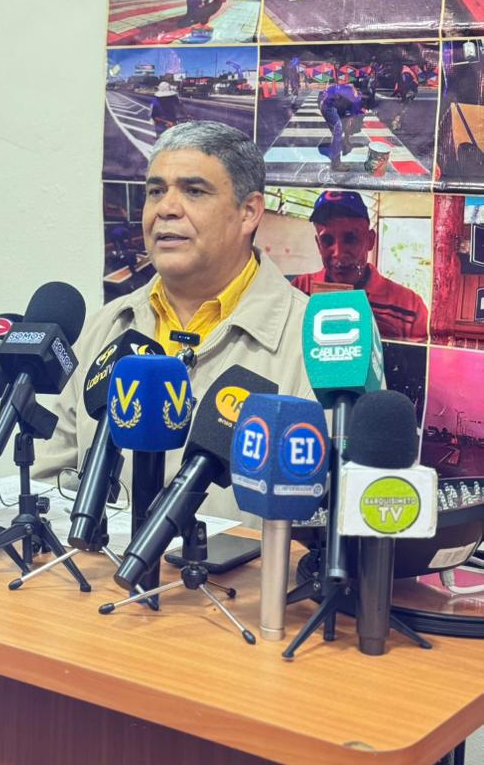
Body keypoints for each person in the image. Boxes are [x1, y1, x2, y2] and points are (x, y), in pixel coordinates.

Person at [35, 122, 314, 523]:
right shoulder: (106, 329)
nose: (166, 208)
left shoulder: (309, 342)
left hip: (247, 566)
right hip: (95, 563)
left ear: (249, 212)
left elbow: (325, 519)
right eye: (155, 191)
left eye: (193, 191)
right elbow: (48, 485)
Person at [291, 190, 429, 342]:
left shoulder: (410, 308)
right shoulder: (299, 290)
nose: (338, 253)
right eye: (327, 241)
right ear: (318, 244)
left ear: (370, 240)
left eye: (350, 239)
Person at [318, 80, 364, 172]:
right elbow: (349, 121)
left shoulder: (347, 89)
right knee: (338, 129)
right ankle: (336, 163)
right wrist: (346, 138)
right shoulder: (355, 100)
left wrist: (346, 139)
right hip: (328, 107)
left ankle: (337, 146)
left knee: (337, 130)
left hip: (325, 104)